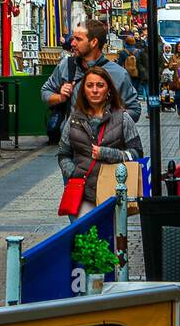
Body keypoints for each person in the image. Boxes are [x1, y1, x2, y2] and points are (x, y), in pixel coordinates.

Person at [58, 68, 143, 219]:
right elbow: (64, 154)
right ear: (83, 90)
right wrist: (72, 173)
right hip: (83, 194)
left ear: (108, 89)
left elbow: (136, 153)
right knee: (86, 238)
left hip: (113, 194)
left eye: (100, 85)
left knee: (110, 240)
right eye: (90, 86)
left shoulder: (123, 118)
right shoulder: (73, 120)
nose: (95, 90)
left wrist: (107, 153)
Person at [41, 19, 141, 125]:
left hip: (107, 140)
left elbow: (134, 110)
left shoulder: (118, 74)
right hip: (73, 139)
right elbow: (45, 93)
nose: (73, 43)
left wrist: (110, 121)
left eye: (78, 39)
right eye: (73, 38)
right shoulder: (67, 65)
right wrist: (61, 97)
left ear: (93, 42)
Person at [117, 31, 149, 105]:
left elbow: (119, 64)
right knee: (136, 89)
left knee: (128, 89)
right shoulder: (138, 51)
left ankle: (129, 103)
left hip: (126, 73)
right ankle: (135, 103)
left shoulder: (123, 52)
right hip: (136, 73)